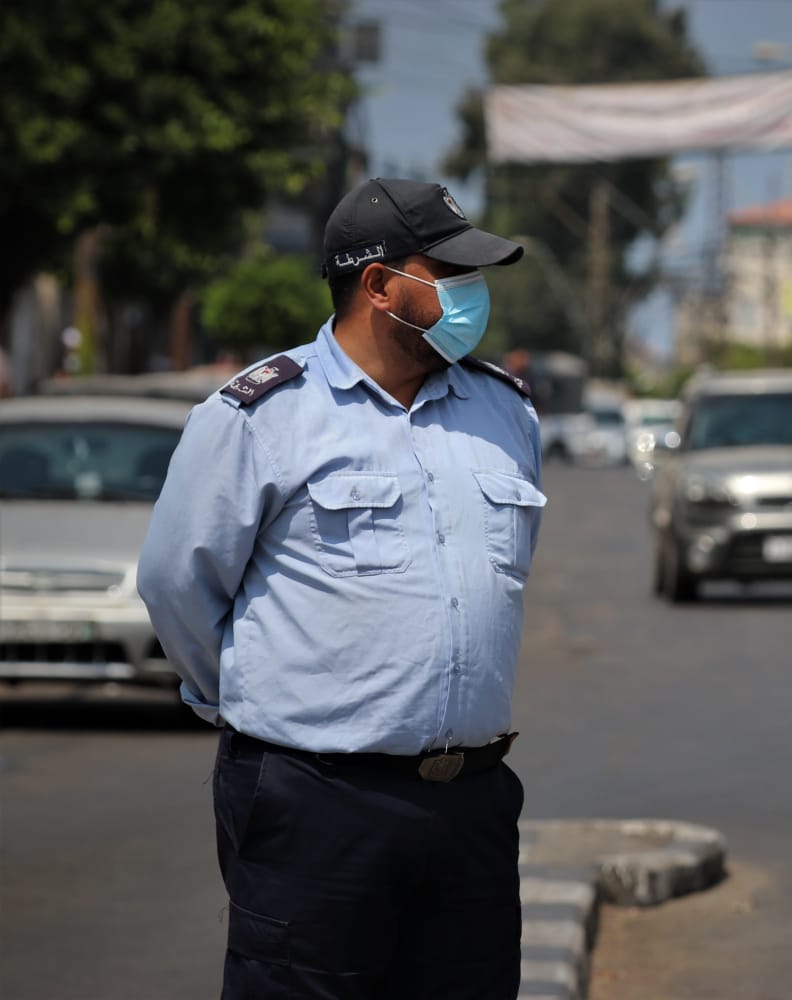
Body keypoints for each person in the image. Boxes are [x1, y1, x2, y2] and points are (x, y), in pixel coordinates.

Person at [137, 177, 544, 999]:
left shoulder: (506, 412)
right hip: (316, 805)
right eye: (451, 274)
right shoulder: (260, 415)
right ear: (379, 285)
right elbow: (178, 583)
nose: (474, 295)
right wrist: (254, 702)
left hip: (470, 807)